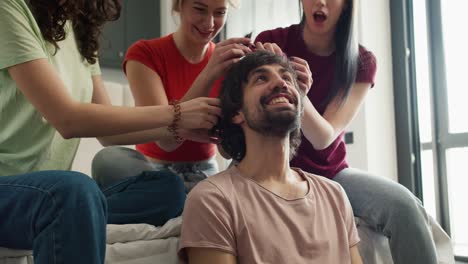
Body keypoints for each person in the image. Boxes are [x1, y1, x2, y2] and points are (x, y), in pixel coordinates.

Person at [0, 0, 221, 262]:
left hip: (41, 196)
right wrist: (176, 113)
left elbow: (110, 136)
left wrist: (177, 125)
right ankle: (76, 209)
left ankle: (78, 213)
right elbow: (67, 119)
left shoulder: (79, 28)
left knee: (168, 190)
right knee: (72, 192)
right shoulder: (8, 8)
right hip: (12, 189)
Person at [254, 0, 438, 263]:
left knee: (405, 206)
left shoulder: (361, 61)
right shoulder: (271, 41)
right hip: (270, 167)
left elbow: (323, 137)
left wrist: (293, 87)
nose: (321, 2)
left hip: (331, 174)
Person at [178, 51, 363, 264]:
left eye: (286, 77)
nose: (280, 83)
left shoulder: (334, 195)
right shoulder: (213, 199)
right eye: (261, 78)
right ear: (237, 113)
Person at [92, 0, 252, 193]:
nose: (209, 23)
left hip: (205, 171)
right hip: (152, 169)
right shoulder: (144, 53)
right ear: (179, 6)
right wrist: (209, 73)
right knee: (109, 159)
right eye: (200, 10)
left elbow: (226, 152)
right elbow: (166, 141)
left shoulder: (228, 63)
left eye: (219, 13)